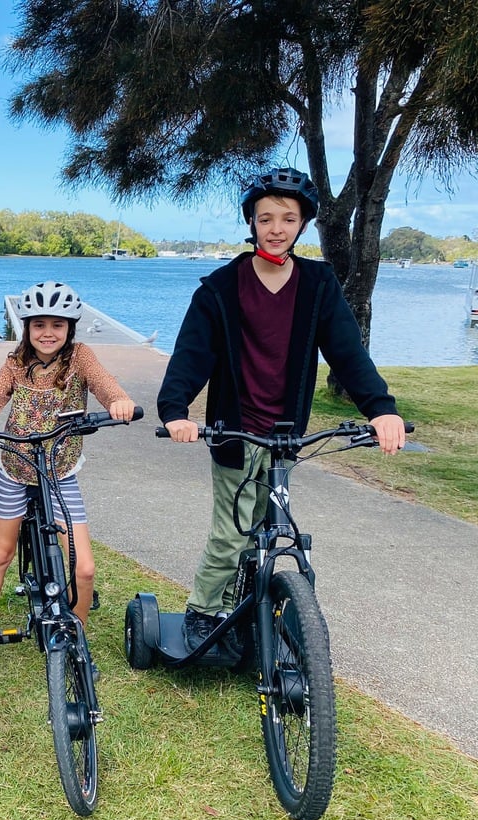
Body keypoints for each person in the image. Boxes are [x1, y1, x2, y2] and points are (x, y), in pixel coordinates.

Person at [157, 166, 406, 654]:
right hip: (236, 433)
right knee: (231, 534)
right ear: (251, 221)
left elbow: (347, 352)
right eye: (266, 217)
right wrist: (175, 410)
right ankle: (204, 611)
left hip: (286, 436)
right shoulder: (220, 288)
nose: (276, 228)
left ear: (302, 225)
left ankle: (256, 608)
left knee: (268, 533)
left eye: (288, 219)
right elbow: (192, 355)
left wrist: (381, 409)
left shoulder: (317, 284)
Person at [0, 282, 135, 678]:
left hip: (60, 472)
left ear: (71, 328)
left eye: (58, 325)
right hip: (16, 469)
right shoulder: (15, 362)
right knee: (0, 553)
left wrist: (118, 401)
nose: (48, 333)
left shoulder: (81, 358)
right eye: (39, 325)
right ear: (27, 328)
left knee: (83, 569)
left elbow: (104, 384)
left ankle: (75, 638)